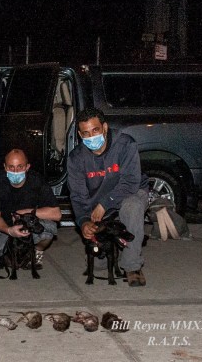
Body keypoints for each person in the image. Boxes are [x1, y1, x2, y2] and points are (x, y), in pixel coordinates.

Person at [67, 107, 148, 287]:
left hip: (131, 192)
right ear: (80, 135)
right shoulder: (76, 158)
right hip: (98, 200)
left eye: (95, 130)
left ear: (104, 127)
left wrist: (105, 203)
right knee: (98, 264)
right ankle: (104, 253)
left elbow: (130, 182)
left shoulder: (125, 144)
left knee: (131, 207)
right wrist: (84, 221)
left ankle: (132, 265)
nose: (91, 137)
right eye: (86, 133)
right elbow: (78, 196)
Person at [0, 149, 61, 271]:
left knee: (49, 229)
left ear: (27, 167)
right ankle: (11, 255)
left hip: (29, 226)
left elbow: (56, 214)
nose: (15, 171)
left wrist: (23, 213)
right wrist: (9, 230)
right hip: (3, 226)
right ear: (5, 167)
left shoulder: (37, 181)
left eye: (20, 167)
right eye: (11, 167)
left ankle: (36, 251)